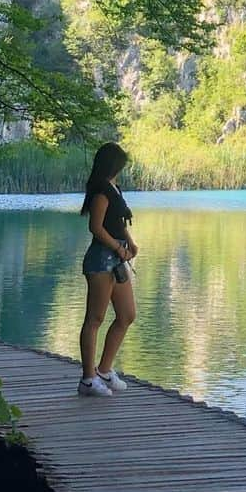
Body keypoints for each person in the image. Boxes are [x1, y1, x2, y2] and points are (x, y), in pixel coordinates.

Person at [77, 141, 138, 396]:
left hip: (117, 256)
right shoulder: (101, 191)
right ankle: (88, 379)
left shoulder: (115, 188)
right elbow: (96, 227)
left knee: (127, 315)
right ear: (113, 164)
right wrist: (117, 247)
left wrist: (131, 243)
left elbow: (118, 220)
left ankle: (104, 369)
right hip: (102, 259)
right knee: (95, 318)